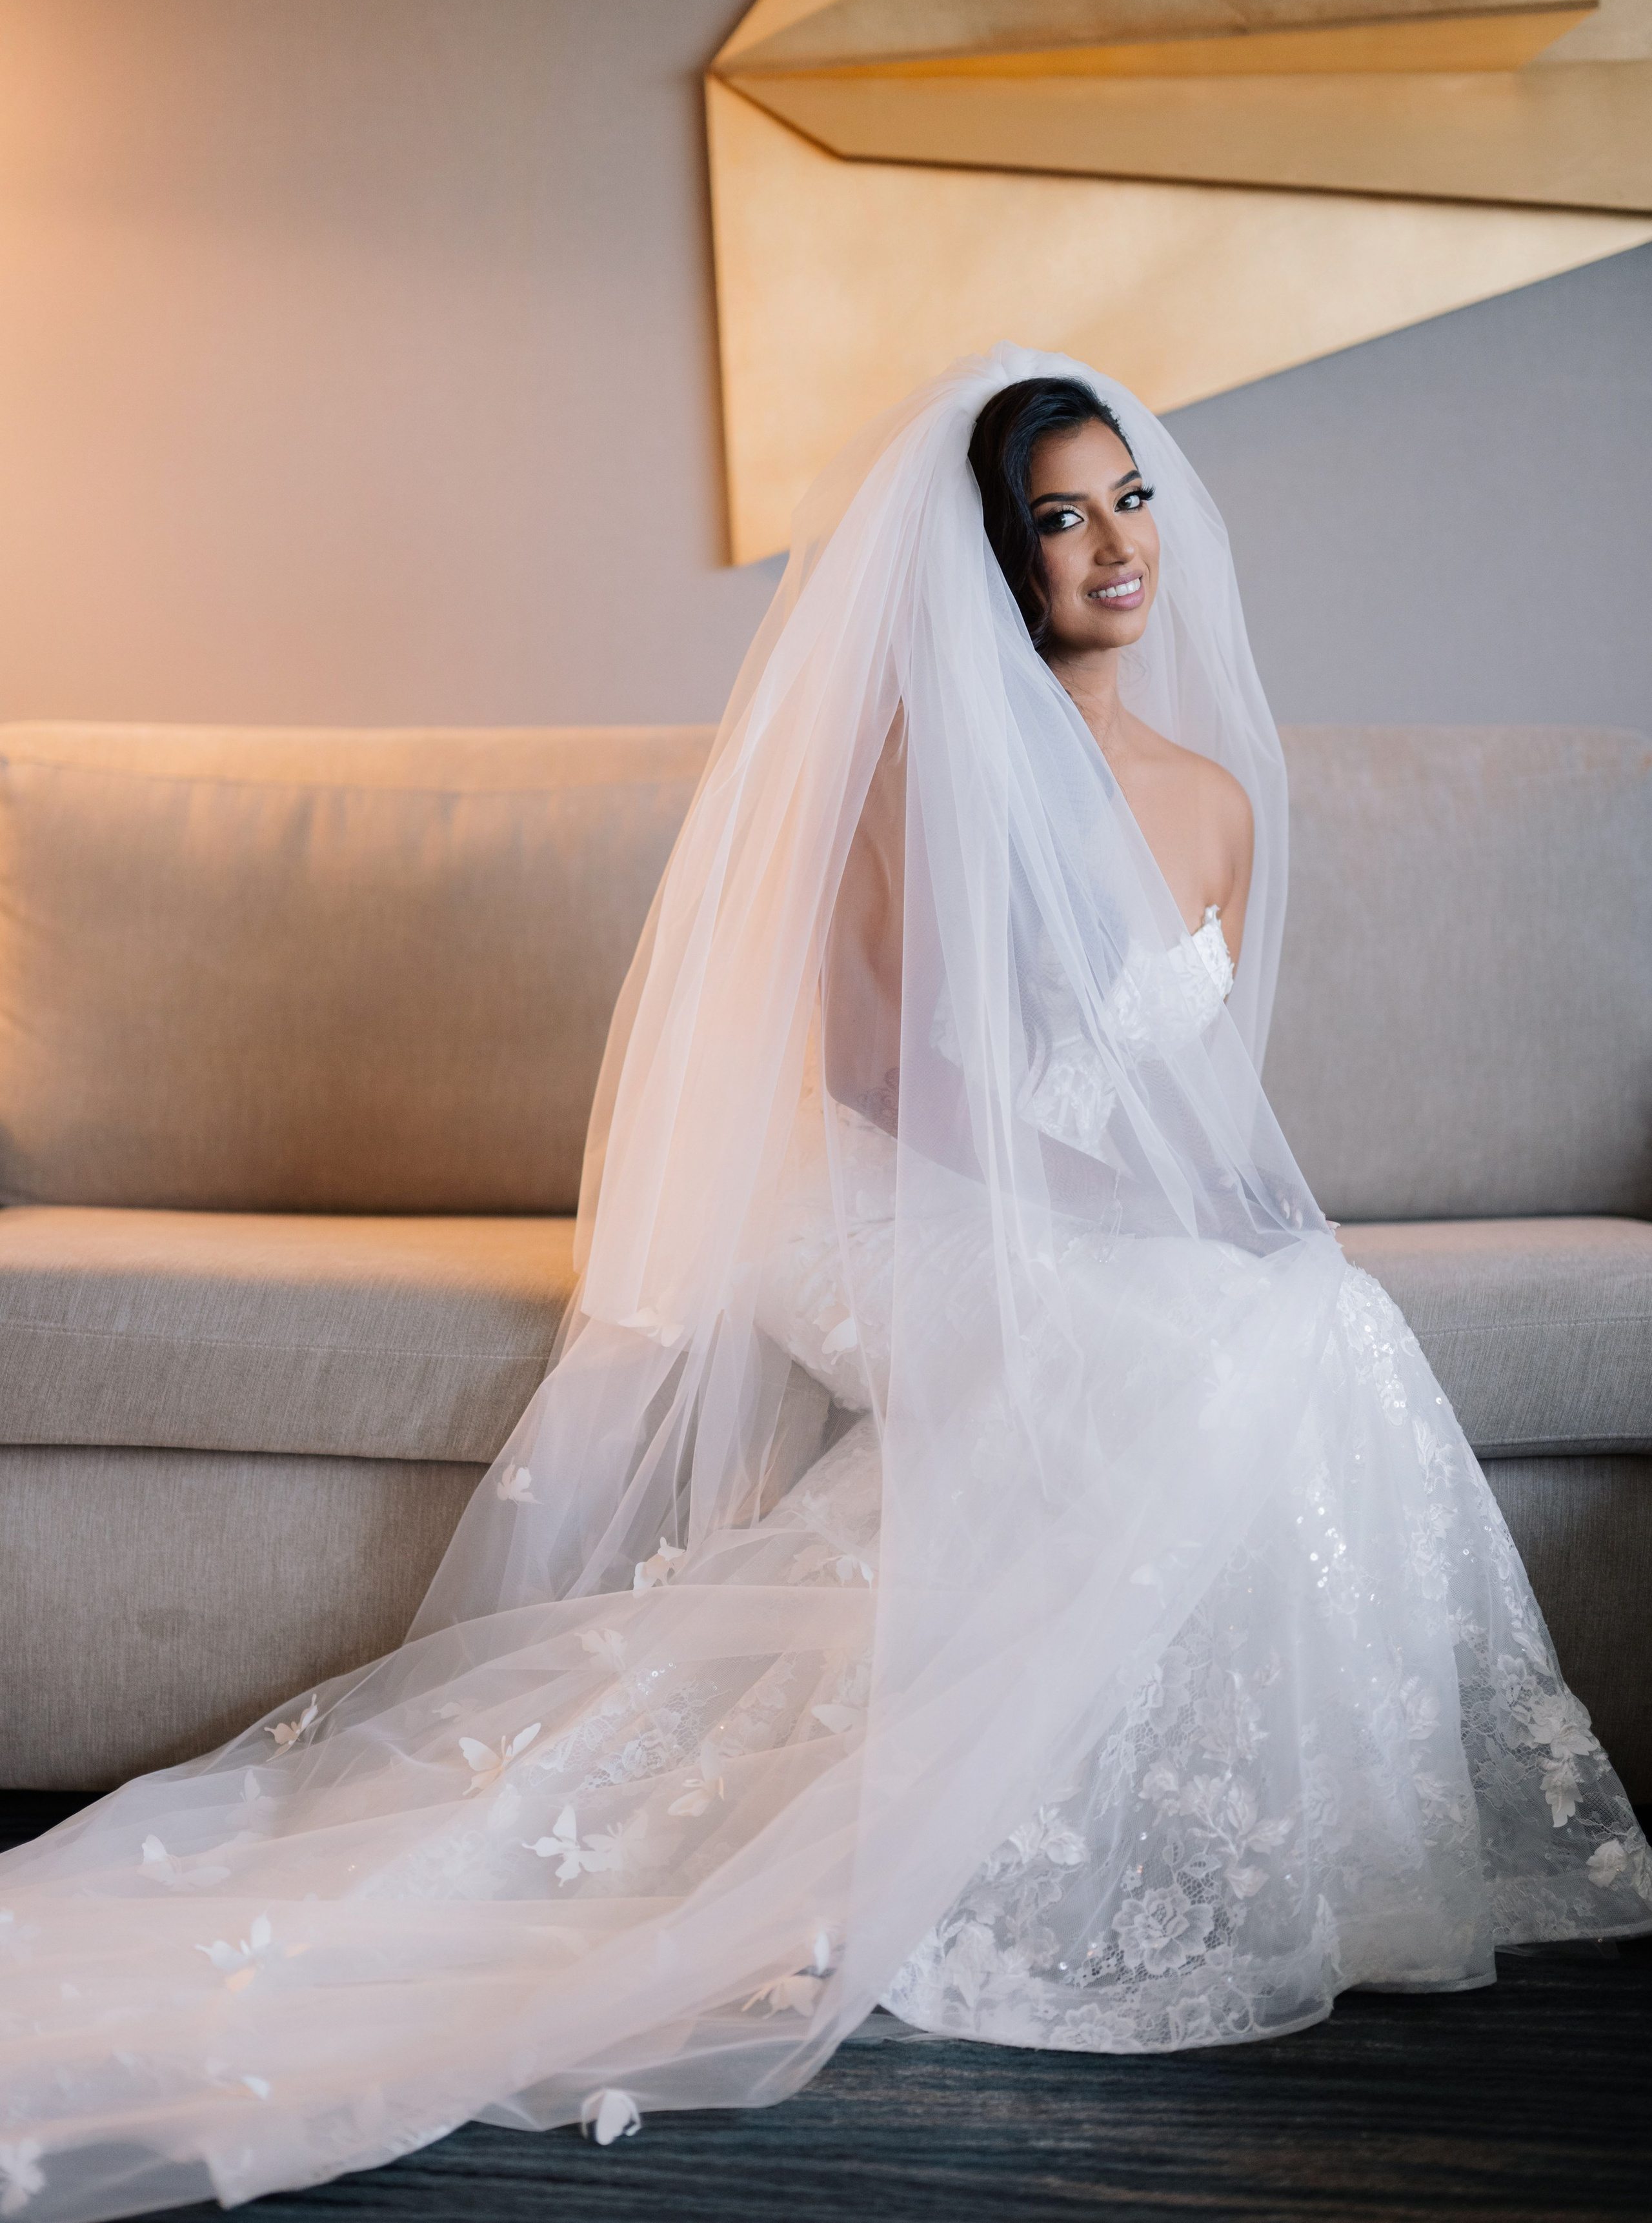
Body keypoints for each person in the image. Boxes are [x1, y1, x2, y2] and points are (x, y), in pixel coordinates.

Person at [1, 348, 1646, 2223]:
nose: (1115, 546)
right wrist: (1117, 1211)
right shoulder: (918, 765)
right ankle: (990, 1848)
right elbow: (878, 1076)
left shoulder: (1217, 802)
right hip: (890, 1205)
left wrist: (1220, 1221)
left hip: (1095, 1221)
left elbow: (1202, 1099)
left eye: (1130, 501)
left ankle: (1330, 1854)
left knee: (1318, 1322)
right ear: (998, 562)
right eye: (1061, 519)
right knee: (1219, 1347)